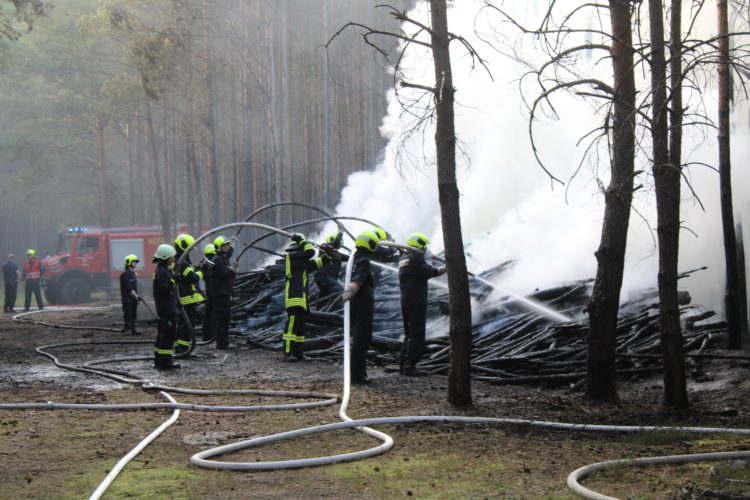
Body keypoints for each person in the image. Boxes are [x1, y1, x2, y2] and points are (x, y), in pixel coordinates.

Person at [398, 232, 446, 376]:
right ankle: (410, 366)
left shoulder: (403, 257)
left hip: (406, 300)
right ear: (419, 243)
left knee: (409, 333)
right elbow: (428, 272)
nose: (425, 248)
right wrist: (436, 264)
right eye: (424, 245)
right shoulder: (417, 256)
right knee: (417, 334)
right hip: (416, 300)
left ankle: (403, 365)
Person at [341, 230, 381, 384]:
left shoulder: (354, 258)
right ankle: (358, 376)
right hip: (363, 304)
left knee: (356, 340)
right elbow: (358, 279)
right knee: (362, 340)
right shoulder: (363, 259)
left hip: (352, 305)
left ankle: (354, 374)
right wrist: (350, 291)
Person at [282, 233, 323, 361]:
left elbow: (315, 264)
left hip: (301, 299)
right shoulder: (293, 257)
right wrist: (303, 241)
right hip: (294, 298)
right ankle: (287, 353)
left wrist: (330, 256)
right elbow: (310, 252)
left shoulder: (300, 263)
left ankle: (298, 353)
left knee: (299, 328)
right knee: (292, 326)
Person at [173, 234, 204, 355]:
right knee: (187, 325)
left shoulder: (181, 259)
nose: (190, 250)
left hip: (186, 297)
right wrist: (201, 272)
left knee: (183, 323)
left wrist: (197, 268)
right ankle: (182, 348)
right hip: (187, 298)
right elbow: (193, 278)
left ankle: (181, 347)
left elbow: (188, 274)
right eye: (189, 248)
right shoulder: (182, 262)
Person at [152, 244, 180, 370]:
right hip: (167, 309)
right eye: (171, 257)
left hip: (166, 308)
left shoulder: (163, 270)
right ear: (165, 258)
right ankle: (165, 362)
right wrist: (173, 281)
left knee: (163, 335)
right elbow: (164, 288)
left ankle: (159, 360)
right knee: (168, 335)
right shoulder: (161, 272)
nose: (173, 259)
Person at [211, 235, 235, 350]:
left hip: (224, 293)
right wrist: (232, 270)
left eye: (227, 245)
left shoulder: (223, 258)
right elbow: (225, 273)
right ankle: (221, 344)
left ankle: (224, 342)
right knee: (222, 318)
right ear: (218, 247)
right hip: (220, 294)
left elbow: (229, 273)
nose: (226, 247)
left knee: (225, 318)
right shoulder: (218, 259)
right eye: (223, 245)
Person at [313, 232, 347, 300]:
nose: (338, 247)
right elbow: (335, 242)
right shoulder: (324, 247)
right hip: (323, 276)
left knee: (324, 298)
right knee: (339, 289)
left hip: (328, 279)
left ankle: (320, 309)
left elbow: (349, 257)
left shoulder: (337, 254)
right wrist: (340, 232)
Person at [119, 254, 142, 335]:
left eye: (135, 262)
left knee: (133, 315)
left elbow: (135, 287)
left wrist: (138, 297)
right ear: (129, 262)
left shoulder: (134, 274)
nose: (135, 264)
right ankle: (128, 330)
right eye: (134, 262)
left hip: (133, 299)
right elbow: (129, 289)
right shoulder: (124, 275)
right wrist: (136, 297)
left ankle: (133, 329)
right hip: (127, 300)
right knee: (128, 315)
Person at [199, 243, 217, 342]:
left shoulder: (205, 262)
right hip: (214, 291)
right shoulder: (210, 263)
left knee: (208, 314)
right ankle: (213, 335)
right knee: (214, 314)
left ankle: (206, 335)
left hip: (209, 291)